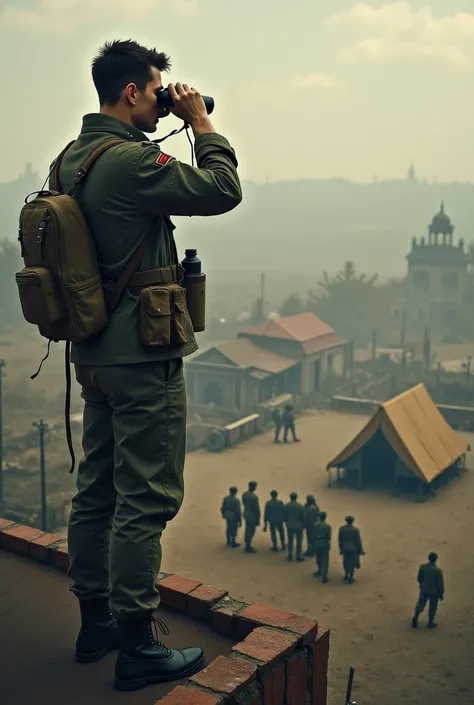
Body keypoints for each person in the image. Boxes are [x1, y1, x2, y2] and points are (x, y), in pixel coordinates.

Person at [54, 40, 242, 691]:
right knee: (145, 499)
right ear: (132, 92)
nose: (165, 99)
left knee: (97, 489)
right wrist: (199, 122)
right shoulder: (132, 161)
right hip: (144, 354)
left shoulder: (69, 159)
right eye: (159, 90)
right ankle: (138, 642)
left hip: (95, 352)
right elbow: (224, 188)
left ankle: (95, 622)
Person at [412, 552, 445, 629]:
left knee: (420, 604)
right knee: (432, 608)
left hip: (424, 589)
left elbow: (419, 578)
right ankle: (430, 622)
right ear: (436, 559)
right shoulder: (438, 571)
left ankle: (415, 617)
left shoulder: (423, 567)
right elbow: (440, 584)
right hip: (434, 592)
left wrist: (422, 584)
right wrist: (441, 594)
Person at [338, 516, 364, 584]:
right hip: (353, 548)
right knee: (351, 563)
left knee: (345, 561)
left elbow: (340, 539)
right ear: (353, 521)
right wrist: (361, 550)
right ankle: (350, 577)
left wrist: (340, 548)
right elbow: (358, 541)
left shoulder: (342, 529)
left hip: (345, 547)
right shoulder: (355, 530)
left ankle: (346, 574)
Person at [283, 492, 305, 562]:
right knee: (299, 541)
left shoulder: (286, 505)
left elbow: (284, 516)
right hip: (299, 525)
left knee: (290, 540)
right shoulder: (300, 506)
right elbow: (303, 517)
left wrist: (286, 522)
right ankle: (298, 556)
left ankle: (290, 554)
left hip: (290, 525)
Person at [242, 481, 261, 553]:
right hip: (252, 516)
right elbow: (256, 509)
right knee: (251, 531)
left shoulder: (244, 494)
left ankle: (247, 544)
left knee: (247, 529)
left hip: (246, 513)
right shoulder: (254, 497)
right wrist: (258, 518)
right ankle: (248, 546)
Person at [313, 511, 331, 583]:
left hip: (317, 543)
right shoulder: (327, 526)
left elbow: (313, 534)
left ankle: (319, 570)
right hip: (324, 544)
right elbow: (328, 537)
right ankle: (324, 577)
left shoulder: (315, 525)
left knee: (318, 558)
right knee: (325, 560)